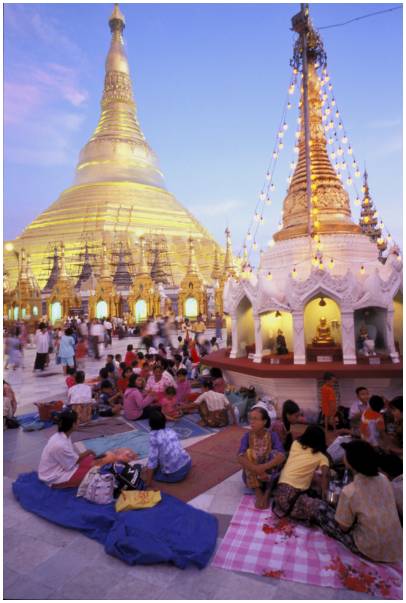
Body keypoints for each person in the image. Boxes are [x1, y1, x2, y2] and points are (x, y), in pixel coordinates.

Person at [320, 440, 402, 562]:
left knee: (321, 510)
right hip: (396, 548)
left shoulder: (350, 491)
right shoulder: (384, 479)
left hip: (370, 550)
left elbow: (344, 528)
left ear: (351, 462)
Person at [273, 425, 330, 523]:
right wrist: (325, 491)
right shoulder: (322, 457)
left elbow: (300, 465)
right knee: (324, 509)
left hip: (278, 495)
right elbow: (326, 475)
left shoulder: (295, 444)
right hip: (291, 500)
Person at [238, 407, 285, 509]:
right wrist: (257, 469)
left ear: (264, 421)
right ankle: (258, 491)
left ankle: (267, 492)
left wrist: (263, 467)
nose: (252, 422)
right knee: (248, 453)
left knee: (275, 454)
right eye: (250, 418)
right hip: (252, 477)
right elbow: (239, 457)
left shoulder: (273, 435)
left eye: (255, 419)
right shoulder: (247, 436)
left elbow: (281, 455)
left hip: (269, 476)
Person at [38, 409, 97, 488]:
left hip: (61, 467)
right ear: (73, 425)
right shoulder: (60, 444)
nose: (79, 422)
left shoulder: (61, 436)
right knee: (93, 473)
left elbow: (72, 458)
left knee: (92, 461)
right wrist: (88, 452)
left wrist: (88, 453)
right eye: (78, 420)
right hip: (54, 477)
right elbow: (73, 462)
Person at [144, 410, 192, 485]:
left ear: (150, 424)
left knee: (151, 473)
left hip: (176, 474)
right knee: (162, 459)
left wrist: (147, 483)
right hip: (188, 463)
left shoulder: (154, 438)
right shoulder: (170, 431)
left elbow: (152, 462)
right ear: (164, 421)